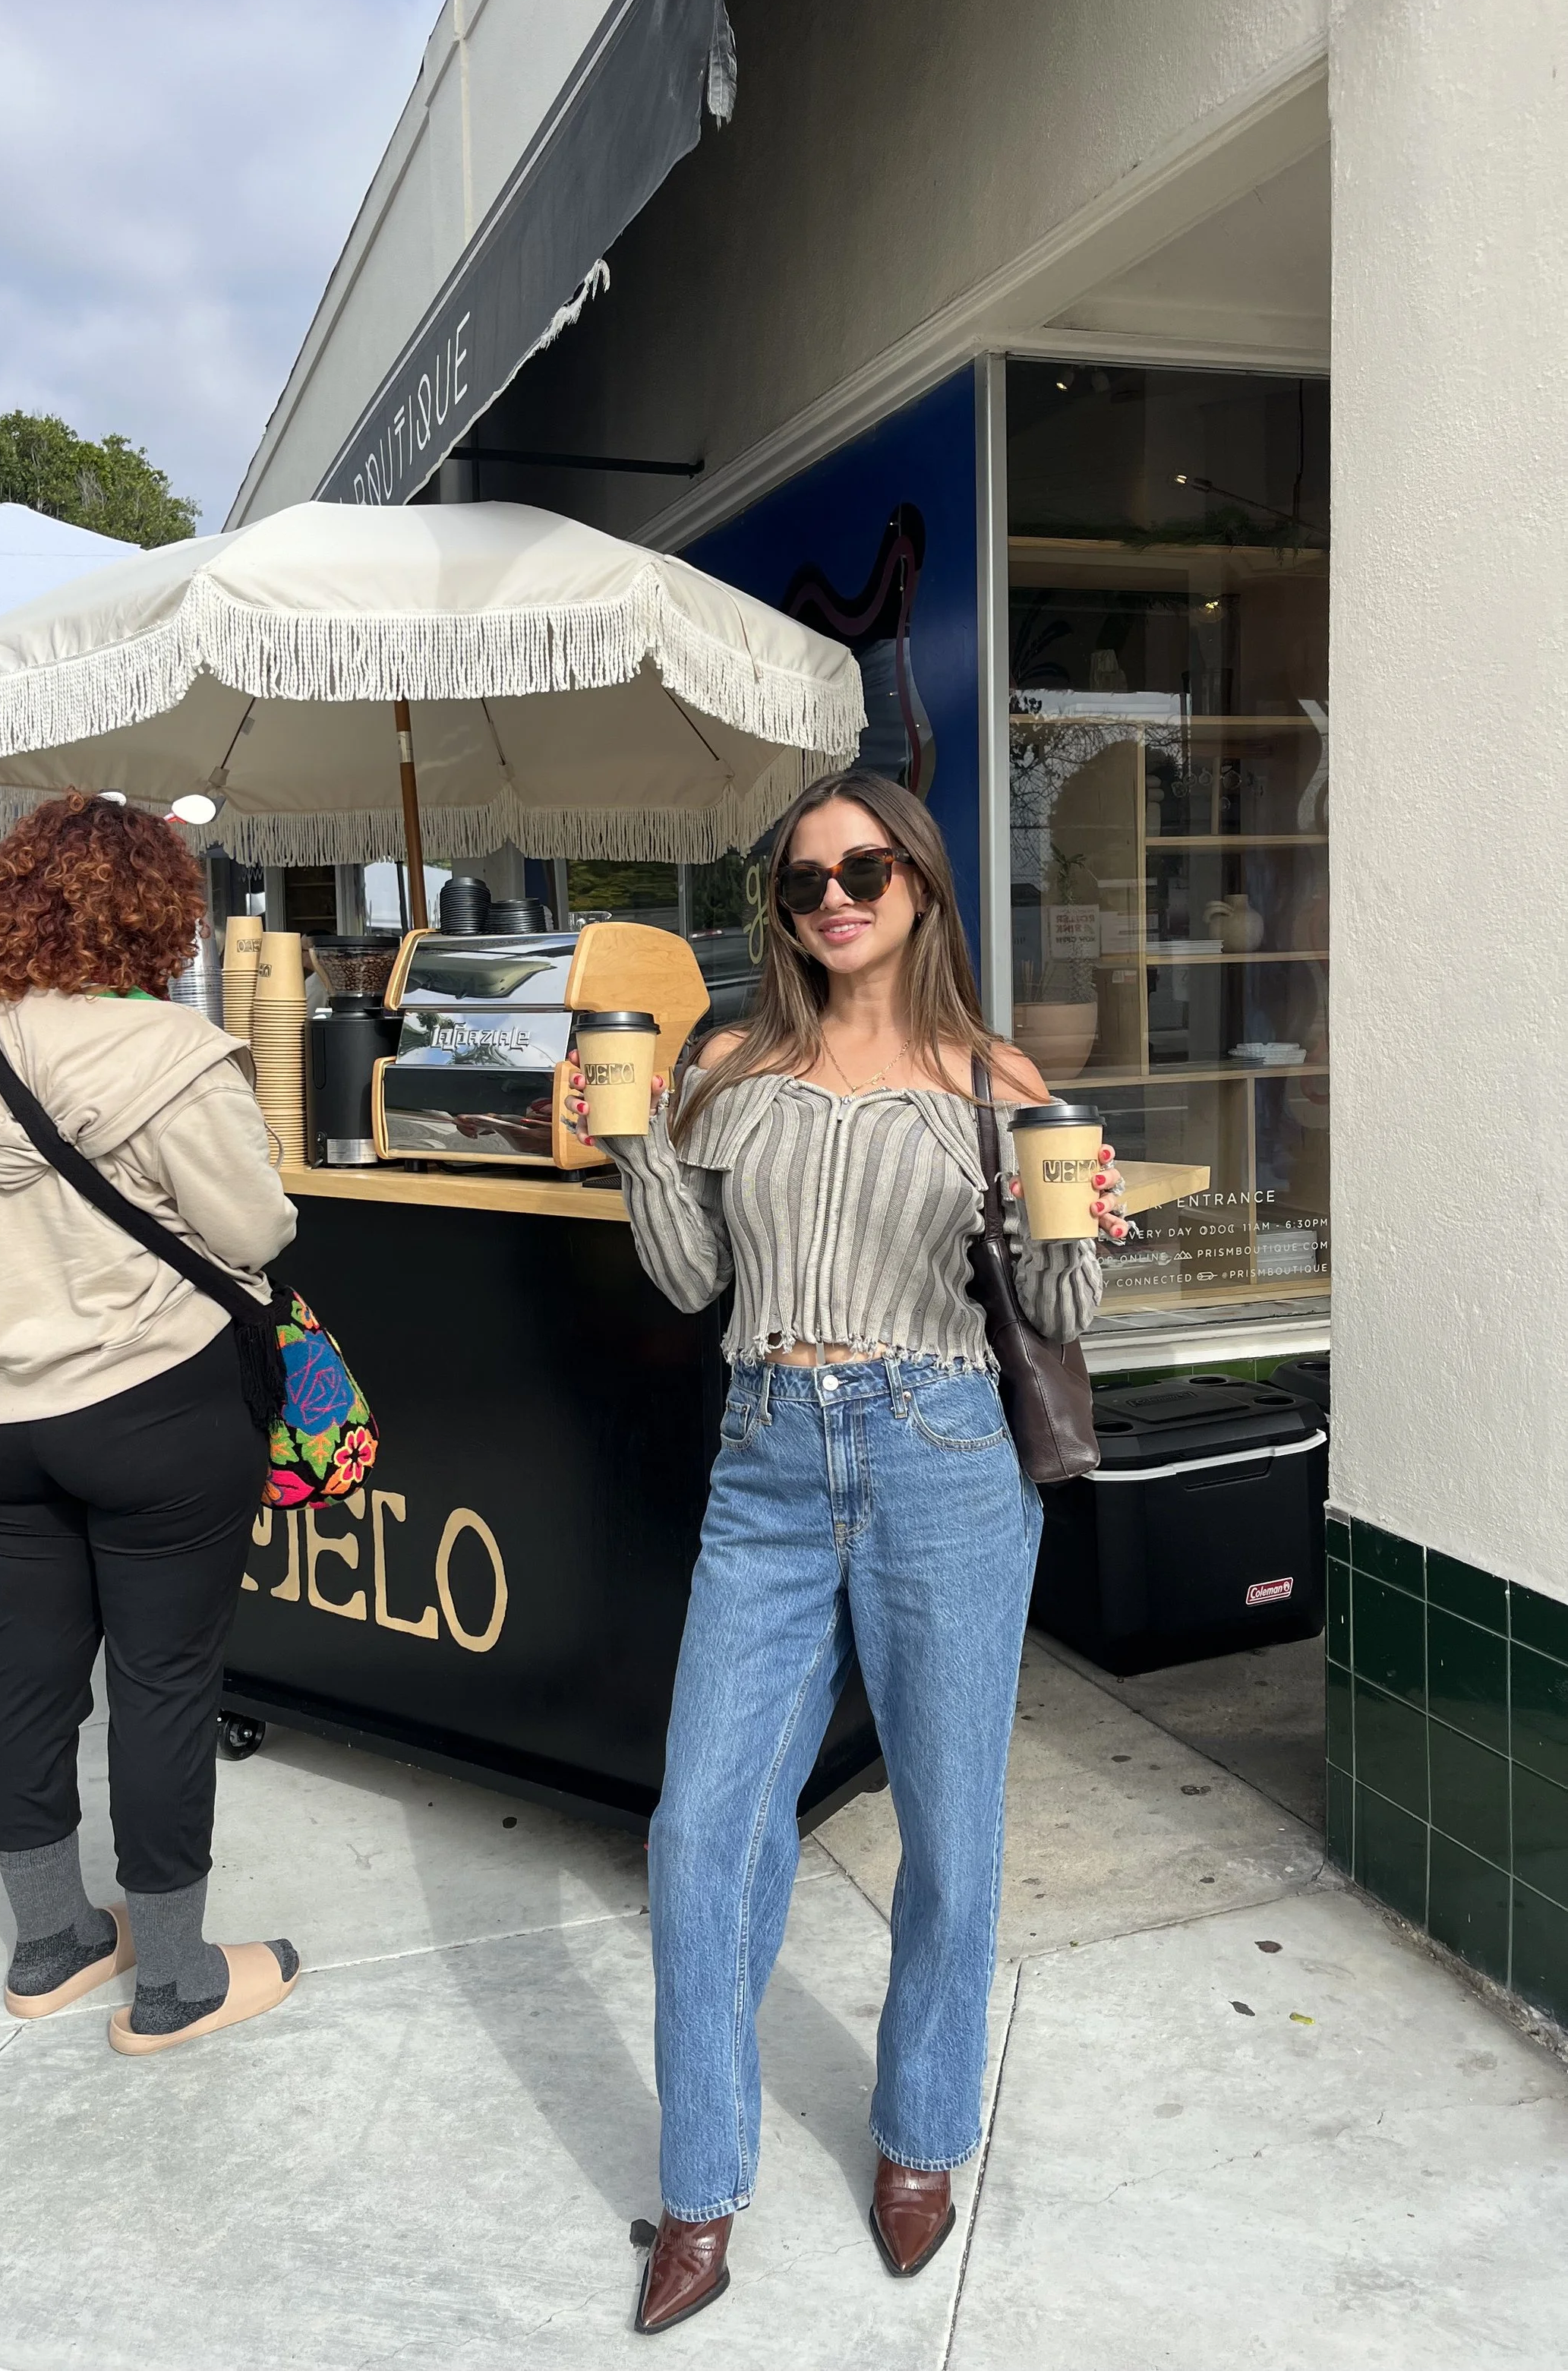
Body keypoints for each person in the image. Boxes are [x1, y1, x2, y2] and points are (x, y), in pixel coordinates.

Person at [576, 770, 1127, 2335]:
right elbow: (689, 1278)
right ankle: (699, 2181)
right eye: (803, 877)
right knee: (700, 1829)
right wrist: (633, 1143)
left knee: (948, 1832)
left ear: (920, 885)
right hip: (764, 1457)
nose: (831, 896)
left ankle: (921, 2130)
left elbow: (1060, 1315)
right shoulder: (729, 1066)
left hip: (939, 1457)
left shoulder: (991, 1078)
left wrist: (1068, 1218)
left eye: (863, 869)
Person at [0, 791, 302, 2054]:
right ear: (155, 914)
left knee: (24, 1671)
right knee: (163, 1683)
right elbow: (253, 1230)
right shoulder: (171, 1052)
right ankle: (176, 1978)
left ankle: (52, 1943)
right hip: (154, 1403)